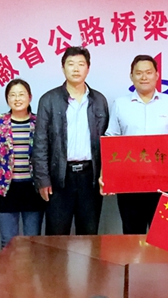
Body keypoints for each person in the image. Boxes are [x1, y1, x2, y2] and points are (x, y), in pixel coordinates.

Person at [105, 54, 168, 234]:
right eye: (139, 73)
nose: (144, 77)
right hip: (129, 184)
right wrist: (107, 176)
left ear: (157, 75)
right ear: (131, 76)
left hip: (164, 183)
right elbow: (111, 139)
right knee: (132, 236)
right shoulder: (120, 104)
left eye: (149, 72)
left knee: (164, 236)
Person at [31, 46, 109, 235]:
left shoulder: (99, 100)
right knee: (56, 236)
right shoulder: (49, 100)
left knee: (89, 235)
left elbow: (107, 142)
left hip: (90, 178)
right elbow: (40, 143)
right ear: (63, 67)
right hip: (59, 178)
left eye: (81, 64)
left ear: (88, 68)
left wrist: (106, 175)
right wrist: (43, 179)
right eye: (71, 64)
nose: (76, 69)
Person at [0, 79, 44, 248]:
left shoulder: (39, 122)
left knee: (33, 242)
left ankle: (31, 268)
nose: (17, 99)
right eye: (13, 95)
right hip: (6, 190)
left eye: (21, 94)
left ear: (30, 97)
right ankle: (9, 268)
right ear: (7, 99)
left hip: (33, 189)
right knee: (8, 242)